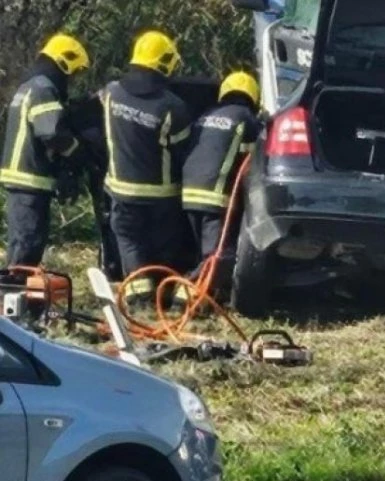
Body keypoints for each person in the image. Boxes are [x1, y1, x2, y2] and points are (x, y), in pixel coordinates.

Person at [99, 29, 192, 304]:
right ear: (164, 63)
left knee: (129, 240)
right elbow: (183, 152)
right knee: (162, 246)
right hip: (162, 196)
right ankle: (163, 294)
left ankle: (140, 299)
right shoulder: (173, 107)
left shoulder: (111, 93)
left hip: (120, 191)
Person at [0, 33, 90, 266]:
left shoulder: (30, 85)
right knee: (26, 244)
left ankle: (20, 294)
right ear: (64, 62)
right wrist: (78, 153)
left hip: (23, 178)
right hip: (29, 179)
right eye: (74, 73)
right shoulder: (43, 89)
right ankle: (15, 294)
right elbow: (51, 132)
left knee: (25, 241)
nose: (72, 80)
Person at [174, 71, 261, 306]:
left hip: (188, 194)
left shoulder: (206, 114)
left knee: (203, 252)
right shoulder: (246, 119)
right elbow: (253, 160)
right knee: (219, 254)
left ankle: (208, 294)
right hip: (216, 196)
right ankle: (186, 293)